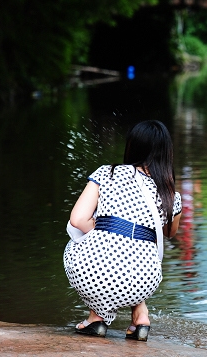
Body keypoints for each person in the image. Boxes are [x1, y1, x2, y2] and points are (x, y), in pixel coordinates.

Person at [63, 120, 182, 341]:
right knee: (139, 247)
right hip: (144, 281)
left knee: (77, 243)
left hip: (93, 275)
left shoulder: (107, 173)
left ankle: (96, 318)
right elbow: (169, 233)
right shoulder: (171, 194)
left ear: (132, 146)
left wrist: (102, 232)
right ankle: (140, 317)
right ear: (167, 153)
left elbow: (78, 220)